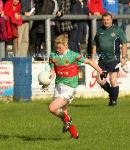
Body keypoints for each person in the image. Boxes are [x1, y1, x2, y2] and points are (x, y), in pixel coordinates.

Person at [48, 34, 106, 139]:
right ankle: (75, 135)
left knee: (52, 108)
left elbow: (89, 62)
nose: (57, 49)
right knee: (63, 113)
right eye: (56, 47)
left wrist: (101, 72)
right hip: (58, 86)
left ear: (66, 45)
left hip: (69, 87)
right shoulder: (53, 55)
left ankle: (68, 119)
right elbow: (52, 66)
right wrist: (51, 73)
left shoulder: (73, 55)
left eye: (59, 47)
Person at [91, 13, 127, 106]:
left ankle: (113, 102)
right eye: (104, 20)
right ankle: (113, 94)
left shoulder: (118, 30)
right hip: (102, 60)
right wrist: (92, 57)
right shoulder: (99, 31)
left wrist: (123, 57)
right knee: (99, 80)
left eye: (107, 19)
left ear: (111, 20)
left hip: (114, 59)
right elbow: (94, 44)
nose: (106, 21)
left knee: (113, 80)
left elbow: (124, 44)